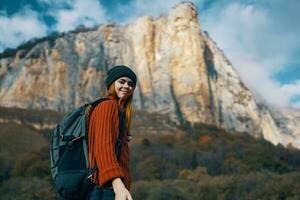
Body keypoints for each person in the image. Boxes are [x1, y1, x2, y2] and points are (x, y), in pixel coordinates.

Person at [88, 65, 137, 200]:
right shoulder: (107, 106)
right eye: (122, 81)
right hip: (106, 189)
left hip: (111, 189)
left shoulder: (118, 111)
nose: (127, 86)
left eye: (131, 84)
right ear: (111, 83)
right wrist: (118, 186)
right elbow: (103, 147)